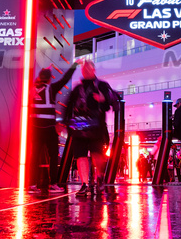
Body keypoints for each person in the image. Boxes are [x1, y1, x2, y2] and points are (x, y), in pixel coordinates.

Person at [63, 59, 117, 198]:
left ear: (93, 70)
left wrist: (103, 99)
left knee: (96, 153)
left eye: (88, 68)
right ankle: (84, 184)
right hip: (79, 125)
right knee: (80, 155)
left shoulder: (102, 85)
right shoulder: (77, 88)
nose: (85, 70)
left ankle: (100, 176)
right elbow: (69, 105)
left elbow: (111, 101)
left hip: (96, 124)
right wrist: (64, 122)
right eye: (83, 68)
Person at [30, 62, 77, 197]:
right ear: (50, 79)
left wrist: (45, 72)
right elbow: (65, 79)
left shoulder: (33, 89)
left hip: (35, 128)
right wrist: (74, 65)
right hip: (49, 128)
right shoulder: (51, 89)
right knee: (53, 156)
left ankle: (32, 185)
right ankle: (53, 184)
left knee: (34, 157)